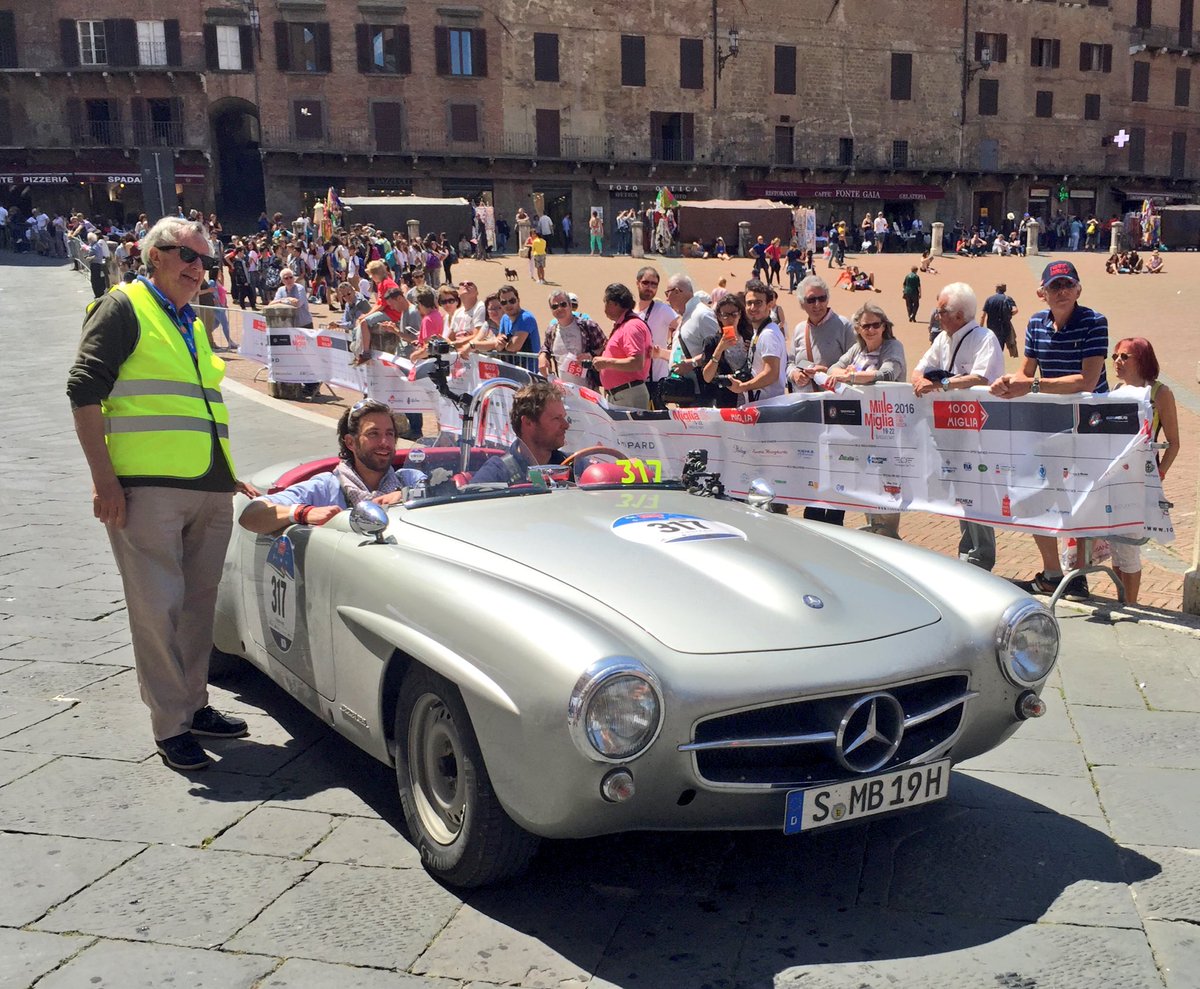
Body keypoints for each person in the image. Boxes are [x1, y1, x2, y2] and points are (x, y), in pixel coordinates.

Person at [66, 217, 256, 772]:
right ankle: (170, 724)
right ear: (155, 256)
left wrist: (227, 472)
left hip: (208, 486)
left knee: (199, 607)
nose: (198, 269)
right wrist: (105, 482)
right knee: (157, 610)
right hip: (146, 489)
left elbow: (196, 404)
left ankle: (193, 705)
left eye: (206, 260)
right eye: (187, 256)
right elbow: (83, 390)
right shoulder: (122, 306)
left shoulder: (190, 322)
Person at [990, 260, 1109, 599]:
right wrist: (1006, 383)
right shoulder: (1036, 323)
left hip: (1089, 423)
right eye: (1055, 286)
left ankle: (1079, 575)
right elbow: (1026, 371)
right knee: (1034, 493)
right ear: (1041, 292)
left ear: (1078, 289)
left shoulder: (1094, 322)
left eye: (1068, 284)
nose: (1062, 291)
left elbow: (1086, 380)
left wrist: (1032, 386)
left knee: (1081, 498)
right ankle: (1052, 574)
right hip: (1047, 422)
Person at [913, 282, 1004, 571]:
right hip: (948, 427)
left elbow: (980, 377)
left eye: (941, 311)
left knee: (978, 490)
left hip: (978, 429)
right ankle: (968, 552)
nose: (936, 316)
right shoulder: (942, 338)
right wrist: (919, 379)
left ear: (960, 314)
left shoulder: (984, 338)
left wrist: (942, 383)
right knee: (962, 491)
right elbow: (921, 367)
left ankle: (981, 557)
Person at [239, 400, 425, 534]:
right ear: (351, 443)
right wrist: (303, 513)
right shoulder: (325, 487)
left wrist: (405, 494)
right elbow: (251, 514)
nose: (384, 442)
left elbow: (448, 492)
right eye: (373, 434)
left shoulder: (409, 479)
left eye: (390, 434)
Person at [1107, 338, 1180, 604]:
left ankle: (1131, 605)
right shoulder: (1116, 388)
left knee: (1129, 548)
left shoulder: (1160, 392)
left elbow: (1174, 442)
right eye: (1115, 356)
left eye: (1125, 357)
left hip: (1141, 480)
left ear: (1142, 360)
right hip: (1116, 478)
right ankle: (1121, 601)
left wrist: (1159, 474)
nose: (1117, 361)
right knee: (1116, 545)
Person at [826, 302, 907, 538]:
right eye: (865, 326)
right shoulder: (857, 350)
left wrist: (850, 376)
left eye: (875, 325)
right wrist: (848, 374)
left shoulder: (892, 347)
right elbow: (832, 369)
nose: (871, 330)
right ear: (858, 329)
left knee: (886, 500)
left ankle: (890, 544)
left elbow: (887, 374)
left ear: (884, 326)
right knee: (870, 495)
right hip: (863, 434)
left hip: (887, 432)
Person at [472, 381, 571, 484]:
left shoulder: (572, 466)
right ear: (528, 423)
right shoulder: (497, 473)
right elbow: (472, 498)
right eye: (556, 418)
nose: (566, 425)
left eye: (563, 417)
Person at [717, 280, 786, 404]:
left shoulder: (768, 334)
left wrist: (743, 387)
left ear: (769, 305)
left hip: (767, 406)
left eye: (758, 303)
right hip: (761, 404)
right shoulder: (760, 332)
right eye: (749, 303)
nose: (753, 308)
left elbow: (771, 373)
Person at [661, 273, 720, 406]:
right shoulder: (687, 316)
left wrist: (692, 363)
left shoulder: (702, 314)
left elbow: (719, 349)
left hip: (701, 395)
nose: (666, 299)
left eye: (667, 293)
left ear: (677, 291)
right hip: (685, 393)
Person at [594, 282, 653, 409]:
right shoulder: (625, 325)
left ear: (614, 303)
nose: (604, 307)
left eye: (606, 302)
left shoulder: (631, 326)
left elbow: (636, 363)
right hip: (622, 395)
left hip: (628, 395)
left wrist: (606, 363)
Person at [540, 290, 605, 387]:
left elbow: (606, 346)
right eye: (554, 306)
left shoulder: (588, 326)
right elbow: (546, 347)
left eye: (563, 304)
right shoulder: (551, 330)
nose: (559, 308)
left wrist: (590, 355)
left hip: (588, 390)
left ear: (570, 305)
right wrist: (543, 355)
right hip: (563, 391)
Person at [634, 266, 675, 407]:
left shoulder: (663, 310)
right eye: (646, 283)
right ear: (637, 283)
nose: (650, 287)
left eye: (654, 284)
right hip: (633, 381)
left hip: (656, 382)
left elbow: (683, 328)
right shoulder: (630, 312)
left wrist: (667, 353)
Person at [981, 283, 1019, 358]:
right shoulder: (1008, 298)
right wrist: (1008, 315)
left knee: (992, 348)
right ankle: (998, 364)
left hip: (992, 328)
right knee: (1000, 348)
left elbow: (983, 316)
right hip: (1004, 327)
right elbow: (1015, 310)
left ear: (997, 289)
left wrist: (980, 327)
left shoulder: (990, 299)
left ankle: (993, 365)